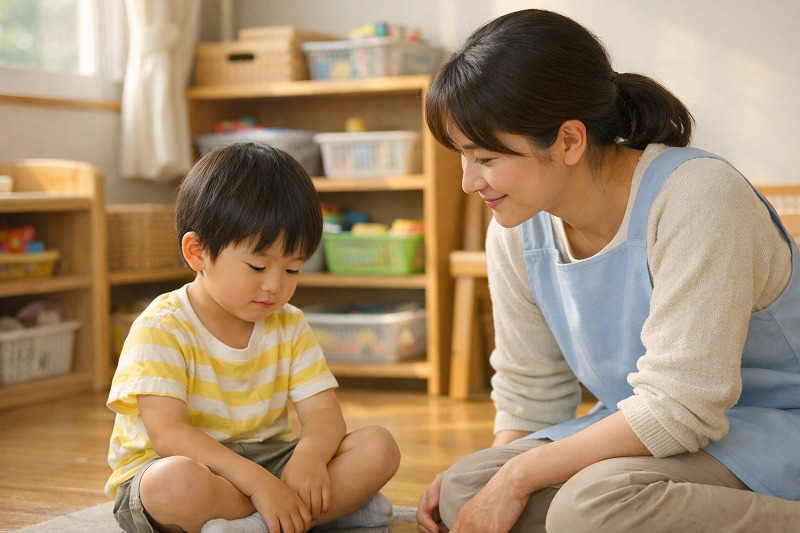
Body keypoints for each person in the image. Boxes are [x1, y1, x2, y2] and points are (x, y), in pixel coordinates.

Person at [417, 9, 800, 533]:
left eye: (484, 158)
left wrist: (520, 477)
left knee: (590, 507)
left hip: (768, 426)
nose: (468, 182)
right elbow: (532, 394)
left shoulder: (698, 195)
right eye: (462, 157)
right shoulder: (515, 227)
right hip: (648, 427)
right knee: (464, 488)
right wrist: (500, 476)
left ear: (569, 141)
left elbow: (682, 404)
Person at [105, 142, 400, 533]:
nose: (275, 286)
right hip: (181, 465)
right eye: (258, 266)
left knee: (379, 446)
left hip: (267, 457)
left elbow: (324, 415)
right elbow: (168, 435)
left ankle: (262, 523)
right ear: (197, 253)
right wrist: (260, 484)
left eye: (293, 269)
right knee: (172, 485)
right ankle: (314, 513)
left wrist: (309, 459)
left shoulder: (289, 324)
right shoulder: (161, 326)